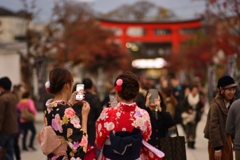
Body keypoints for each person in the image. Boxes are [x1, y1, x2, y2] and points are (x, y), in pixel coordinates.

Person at [95, 71, 152, 160]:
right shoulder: (144, 115)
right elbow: (146, 137)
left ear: (117, 92)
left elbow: (99, 140)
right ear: (136, 92)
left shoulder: (107, 113)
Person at [44, 67, 90, 159]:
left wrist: (70, 103)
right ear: (67, 85)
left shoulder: (49, 107)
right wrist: (85, 116)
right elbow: (80, 145)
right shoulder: (67, 111)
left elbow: (60, 115)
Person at [204, 75, 236, 160]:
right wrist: (217, 149)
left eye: (233, 89)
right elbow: (213, 127)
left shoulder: (230, 104)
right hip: (217, 144)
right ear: (221, 90)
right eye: (229, 89)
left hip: (227, 141)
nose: (232, 92)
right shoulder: (215, 106)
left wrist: (234, 141)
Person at [73, 78, 102, 147]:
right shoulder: (95, 98)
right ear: (92, 87)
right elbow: (99, 115)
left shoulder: (77, 98)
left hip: (78, 128)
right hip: (92, 130)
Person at [0, 77, 18, 160]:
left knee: (3, 152)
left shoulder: (3, 99)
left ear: (1, 87)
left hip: (5, 130)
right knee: (10, 151)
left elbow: (1, 117)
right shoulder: (12, 96)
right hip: (13, 129)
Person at [181, 85, 204, 149]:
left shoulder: (199, 97)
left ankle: (192, 143)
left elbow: (201, 106)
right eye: (194, 91)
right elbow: (182, 106)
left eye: (196, 91)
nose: (195, 92)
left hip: (195, 116)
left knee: (193, 130)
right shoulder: (187, 97)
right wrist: (188, 110)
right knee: (188, 130)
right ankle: (189, 142)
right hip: (188, 117)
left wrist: (201, 109)